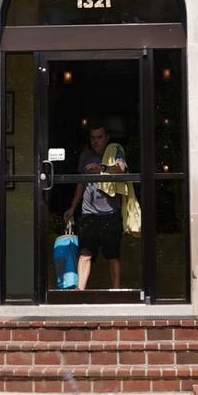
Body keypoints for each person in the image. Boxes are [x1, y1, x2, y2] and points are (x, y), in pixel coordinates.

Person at [70, 122, 128, 291]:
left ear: (107, 138)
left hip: (111, 212)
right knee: (85, 253)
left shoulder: (115, 151)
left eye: (99, 137)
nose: (96, 141)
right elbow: (80, 183)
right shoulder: (85, 156)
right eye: (93, 138)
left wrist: (102, 168)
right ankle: (79, 291)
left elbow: (121, 169)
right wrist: (72, 208)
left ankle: (116, 292)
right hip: (89, 213)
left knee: (112, 255)